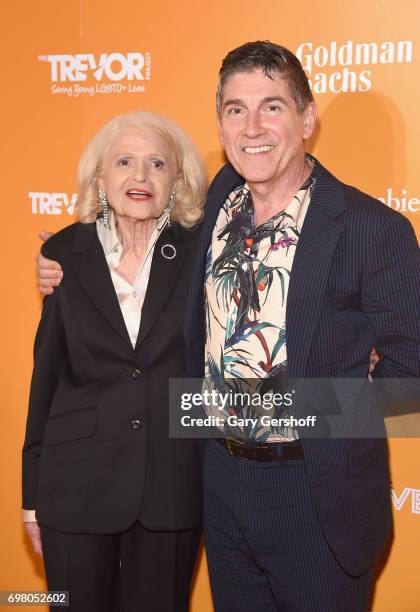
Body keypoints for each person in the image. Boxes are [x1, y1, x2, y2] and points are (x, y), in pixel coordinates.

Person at [36, 42, 420, 612]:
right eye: (236, 109)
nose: (253, 126)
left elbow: (408, 382)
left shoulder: (373, 228)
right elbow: (135, 232)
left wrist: (304, 404)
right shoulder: (218, 200)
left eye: (273, 106)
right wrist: (65, 257)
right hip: (218, 484)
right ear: (220, 123)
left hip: (314, 495)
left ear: (307, 118)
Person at [23, 111, 207, 612]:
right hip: (73, 483)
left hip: (171, 482)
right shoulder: (63, 251)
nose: (140, 177)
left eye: (157, 163)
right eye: (124, 161)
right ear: (100, 177)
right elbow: (48, 377)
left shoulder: (205, 253)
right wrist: (32, 494)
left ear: (180, 180)